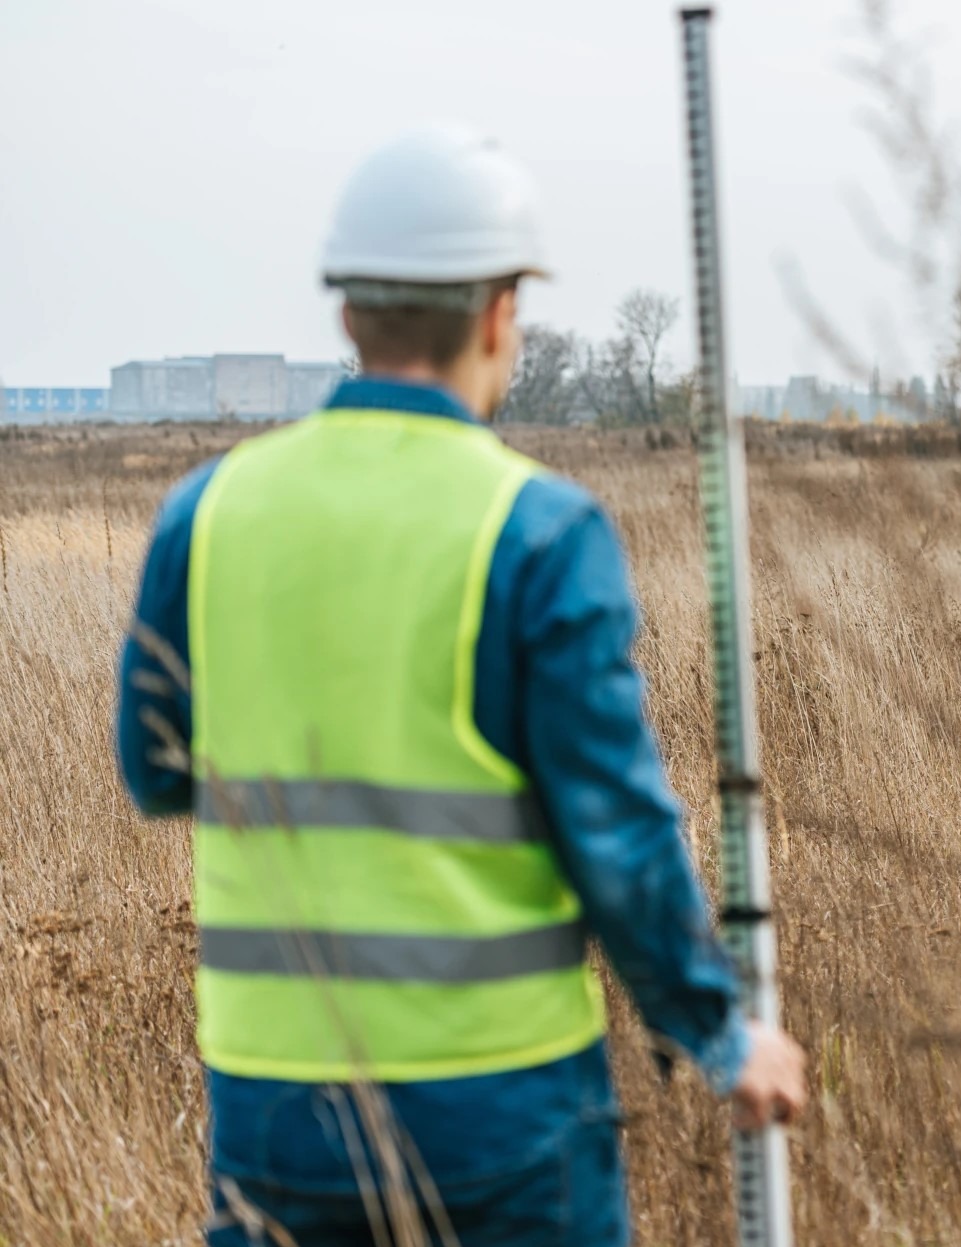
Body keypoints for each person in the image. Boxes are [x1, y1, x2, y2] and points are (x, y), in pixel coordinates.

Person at [116, 125, 806, 1247]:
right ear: (499, 317)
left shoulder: (206, 511)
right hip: (502, 1108)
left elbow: (153, 771)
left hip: (272, 1109)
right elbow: (614, 830)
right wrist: (721, 1032)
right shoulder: (539, 530)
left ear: (348, 317)